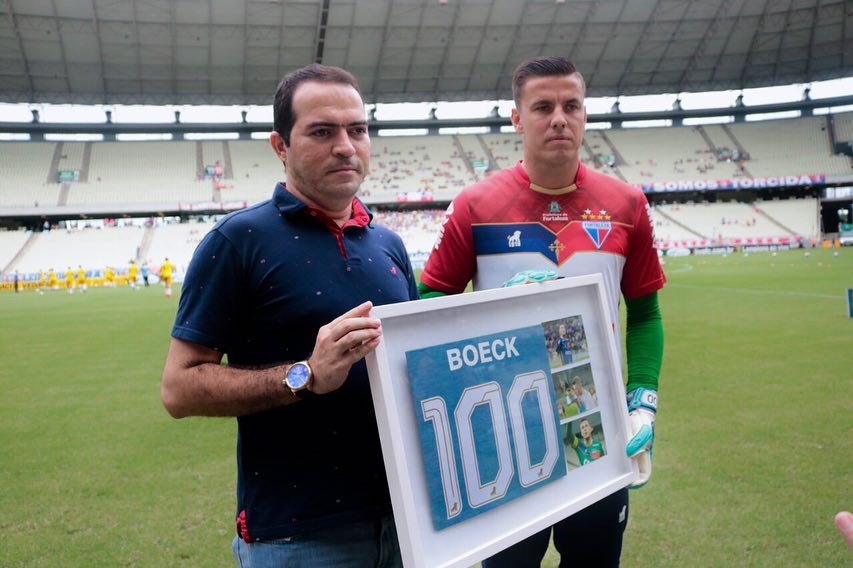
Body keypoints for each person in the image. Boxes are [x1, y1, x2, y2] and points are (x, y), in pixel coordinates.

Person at [160, 63, 417, 568]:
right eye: (322, 132)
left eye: (357, 130)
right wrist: (305, 376)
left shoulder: (389, 244)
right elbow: (178, 388)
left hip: (409, 522)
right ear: (280, 146)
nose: (345, 146)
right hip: (299, 535)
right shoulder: (237, 241)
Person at [418, 56, 665, 567]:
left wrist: (642, 402)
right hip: (506, 437)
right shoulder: (474, 205)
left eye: (571, 105)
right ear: (516, 117)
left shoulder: (626, 203)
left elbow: (644, 315)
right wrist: (495, 310)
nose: (559, 118)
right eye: (543, 106)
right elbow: (428, 305)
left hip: (596, 431)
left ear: (585, 115)